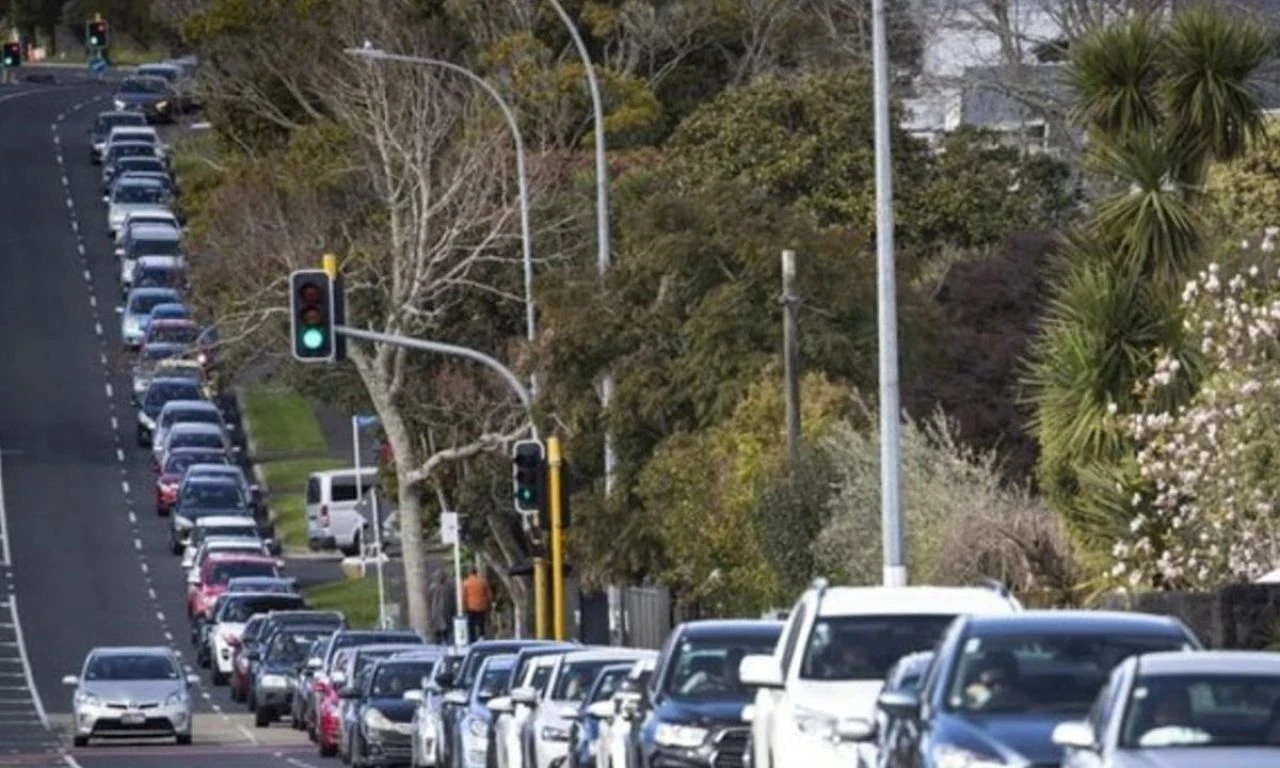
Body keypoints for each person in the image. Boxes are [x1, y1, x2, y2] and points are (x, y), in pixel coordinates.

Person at [462, 566, 493, 641]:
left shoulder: (466, 583)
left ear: (469, 573)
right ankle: (481, 636)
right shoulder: (483, 582)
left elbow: (464, 596)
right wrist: (489, 604)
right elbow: (489, 595)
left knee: (471, 624)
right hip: (481, 606)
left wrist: (464, 607)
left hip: (470, 607)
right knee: (481, 622)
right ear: (476, 572)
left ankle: (472, 638)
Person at [427, 571, 455, 645]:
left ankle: (441, 642)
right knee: (441, 632)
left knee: (442, 631)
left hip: (441, 612)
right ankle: (441, 642)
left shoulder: (446, 587)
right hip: (440, 612)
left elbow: (452, 600)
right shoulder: (436, 587)